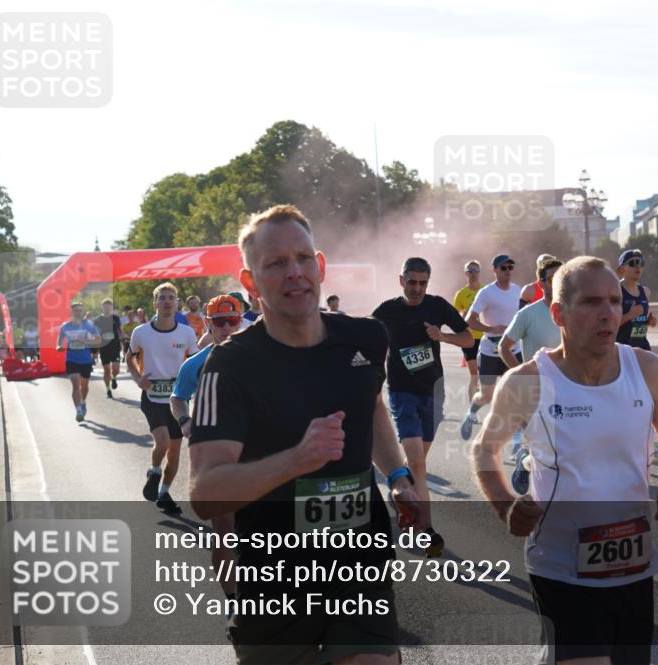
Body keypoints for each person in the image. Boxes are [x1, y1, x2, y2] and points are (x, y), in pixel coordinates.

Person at [188, 204, 420, 664]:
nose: (294, 273)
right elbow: (206, 493)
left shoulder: (367, 339)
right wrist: (296, 460)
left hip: (359, 563)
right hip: (275, 578)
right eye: (275, 264)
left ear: (321, 266)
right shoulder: (229, 367)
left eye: (303, 258)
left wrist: (397, 475)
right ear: (251, 282)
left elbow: (369, 406)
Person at [472, 256, 658, 665]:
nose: (608, 313)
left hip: (634, 566)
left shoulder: (646, 369)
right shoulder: (528, 381)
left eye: (614, 301)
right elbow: (484, 450)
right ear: (558, 312)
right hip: (559, 566)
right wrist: (506, 504)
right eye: (591, 302)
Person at [372, 257, 474, 558]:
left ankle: (400, 489)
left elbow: (468, 338)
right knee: (418, 463)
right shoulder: (385, 312)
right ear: (401, 280)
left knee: (416, 462)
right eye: (412, 282)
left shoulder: (438, 306)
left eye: (422, 283)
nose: (417, 288)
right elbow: (368, 345)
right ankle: (426, 530)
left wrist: (442, 336)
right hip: (402, 393)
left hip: (434, 392)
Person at [169, 294, 245, 613]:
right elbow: (177, 398)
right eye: (219, 323)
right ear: (209, 326)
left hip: (259, 456)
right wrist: (185, 420)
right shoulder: (195, 363)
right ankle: (232, 603)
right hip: (216, 459)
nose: (227, 328)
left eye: (232, 321)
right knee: (225, 533)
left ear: (240, 321)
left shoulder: (261, 358)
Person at [127, 283, 199, 515]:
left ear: (177, 303)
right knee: (163, 442)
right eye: (163, 298)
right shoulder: (141, 332)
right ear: (155, 303)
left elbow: (195, 364)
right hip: (152, 397)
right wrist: (138, 379)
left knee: (176, 452)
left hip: (178, 399)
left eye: (172, 297)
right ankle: (154, 471)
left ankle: (164, 492)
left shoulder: (187, 333)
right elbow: (130, 358)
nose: (168, 301)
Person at [499, 258, 563, 494]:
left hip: (570, 385)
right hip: (536, 388)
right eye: (552, 278)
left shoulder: (575, 311)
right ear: (541, 283)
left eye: (562, 276)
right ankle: (525, 460)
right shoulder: (528, 314)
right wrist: (521, 374)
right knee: (543, 444)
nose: (557, 282)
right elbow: (504, 347)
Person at [460, 254, 522, 442]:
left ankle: (516, 443)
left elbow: (519, 317)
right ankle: (471, 412)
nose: (507, 271)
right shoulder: (486, 293)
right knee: (486, 395)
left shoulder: (516, 290)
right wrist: (491, 329)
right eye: (503, 268)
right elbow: (469, 320)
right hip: (490, 351)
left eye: (510, 267)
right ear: (494, 270)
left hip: (513, 349)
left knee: (516, 395)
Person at [57, 302, 101, 422]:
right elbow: (60, 341)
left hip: (86, 360)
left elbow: (98, 341)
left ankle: (83, 402)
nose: (78, 312)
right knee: (76, 385)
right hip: (71, 360)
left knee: (84, 386)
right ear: (71, 312)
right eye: (76, 310)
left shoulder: (89, 325)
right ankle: (78, 411)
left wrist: (86, 342)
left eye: (80, 310)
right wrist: (59, 346)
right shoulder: (65, 326)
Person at [452, 260, 484, 406]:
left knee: (487, 376)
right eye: (470, 270)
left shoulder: (485, 291)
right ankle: (472, 411)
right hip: (469, 339)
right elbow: (453, 316)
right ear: (466, 273)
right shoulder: (461, 294)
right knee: (474, 375)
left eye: (475, 270)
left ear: (479, 272)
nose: (473, 273)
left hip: (486, 338)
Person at [615, 250, 657, 351]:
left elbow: (638, 321)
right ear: (622, 269)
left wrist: (649, 321)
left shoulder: (646, 292)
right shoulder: (616, 291)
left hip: (643, 348)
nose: (638, 267)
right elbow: (609, 324)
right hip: (622, 350)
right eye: (633, 263)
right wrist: (630, 315)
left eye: (641, 263)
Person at [94, 298, 123, 399]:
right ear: (102, 307)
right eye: (105, 306)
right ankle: (108, 390)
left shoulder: (115, 318)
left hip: (115, 347)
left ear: (111, 308)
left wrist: (124, 336)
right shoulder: (98, 320)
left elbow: (120, 330)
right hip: (104, 348)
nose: (107, 308)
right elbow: (95, 333)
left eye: (108, 307)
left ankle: (113, 377)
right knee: (106, 370)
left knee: (116, 369)